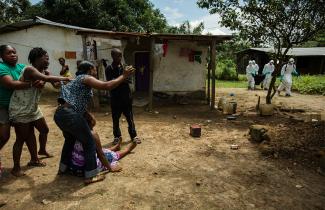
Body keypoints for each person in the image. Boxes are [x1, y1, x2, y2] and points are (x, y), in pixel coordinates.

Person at [54, 60, 134, 184]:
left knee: (69, 140)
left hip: (60, 114)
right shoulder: (86, 77)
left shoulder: (77, 80)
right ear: (90, 69)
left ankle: (63, 169)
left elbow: (78, 102)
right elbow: (107, 86)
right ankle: (90, 175)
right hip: (70, 114)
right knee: (89, 142)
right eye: (95, 69)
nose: (96, 71)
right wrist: (123, 75)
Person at [9, 47, 69, 176]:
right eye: (45, 57)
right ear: (36, 58)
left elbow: (56, 85)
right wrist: (63, 78)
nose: (48, 59)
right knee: (21, 138)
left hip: (33, 108)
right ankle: (16, 168)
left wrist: (62, 74)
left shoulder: (45, 72)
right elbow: (46, 79)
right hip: (21, 109)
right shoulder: (30, 70)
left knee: (44, 129)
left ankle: (39, 153)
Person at [69, 111, 137, 177]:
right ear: (91, 122)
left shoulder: (77, 131)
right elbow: (100, 155)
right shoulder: (93, 134)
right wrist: (110, 168)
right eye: (93, 117)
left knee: (100, 149)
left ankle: (115, 148)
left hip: (76, 166)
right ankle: (127, 150)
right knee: (110, 155)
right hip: (86, 169)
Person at [105, 48, 141, 145]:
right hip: (115, 98)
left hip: (126, 98)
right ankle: (117, 137)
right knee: (115, 119)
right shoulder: (109, 68)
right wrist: (122, 78)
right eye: (118, 55)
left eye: (121, 55)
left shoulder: (125, 67)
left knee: (130, 118)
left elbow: (129, 80)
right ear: (112, 56)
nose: (120, 57)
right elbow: (110, 82)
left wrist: (118, 80)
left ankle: (134, 136)